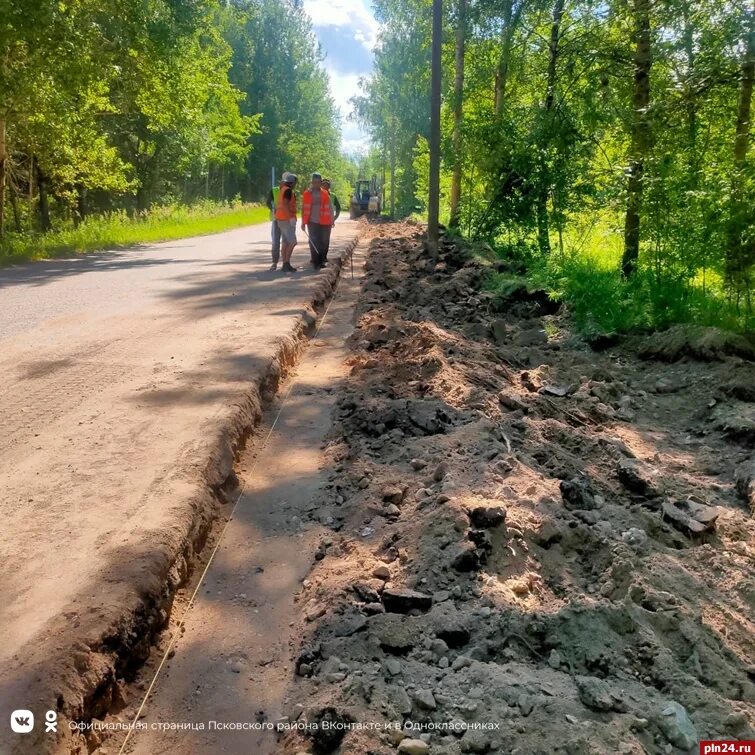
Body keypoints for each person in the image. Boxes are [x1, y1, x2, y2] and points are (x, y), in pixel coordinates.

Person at [301, 173, 333, 269]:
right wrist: (303, 223)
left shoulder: (325, 193)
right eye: (314, 182)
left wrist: (332, 220)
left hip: (324, 221)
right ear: (312, 182)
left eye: (318, 182)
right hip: (312, 221)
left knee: (323, 241)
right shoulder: (307, 193)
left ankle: (321, 260)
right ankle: (316, 262)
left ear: (320, 182)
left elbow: (330, 207)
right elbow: (304, 209)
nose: (316, 184)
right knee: (313, 241)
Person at [275, 172, 299, 273]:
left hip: (280, 218)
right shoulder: (288, 191)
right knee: (293, 242)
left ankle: (285, 264)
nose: (295, 185)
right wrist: (290, 218)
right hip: (286, 219)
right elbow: (285, 205)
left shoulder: (283, 189)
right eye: (295, 183)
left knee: (285, 242)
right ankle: (286, 264)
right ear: (292, 183)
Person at [321, 178, 340, 266]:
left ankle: (324, 257)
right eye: (323, 185)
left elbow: (338, 208)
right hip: (317, 222)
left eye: (326, 185)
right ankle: (316, 257)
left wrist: (334, 218)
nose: (325, 187)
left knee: (325, 240)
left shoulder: (332, 196)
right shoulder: (317, 195)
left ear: (329, 187)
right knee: (317, 240)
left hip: (328, 222)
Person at [266, 183, 281, 270]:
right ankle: (274, 262)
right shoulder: (274, 190)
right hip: (276, 219)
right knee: (275, 241)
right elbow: (268, 202)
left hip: (286, 220)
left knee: (287, 242)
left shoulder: (289, 190)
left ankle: (286, 262)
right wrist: (272, 208)